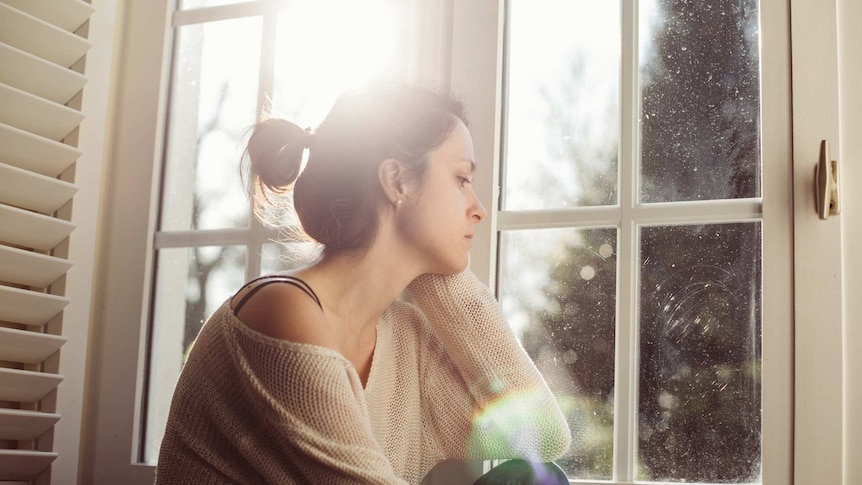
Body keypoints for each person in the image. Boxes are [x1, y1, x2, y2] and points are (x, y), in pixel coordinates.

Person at [155, 83, 571, 484]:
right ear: (398, 182)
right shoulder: (281, 312)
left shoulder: (404, 334)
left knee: (536, 480)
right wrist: (427, 250)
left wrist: (439, 277)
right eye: (461, 179)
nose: (478, 209)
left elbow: (541, 436)